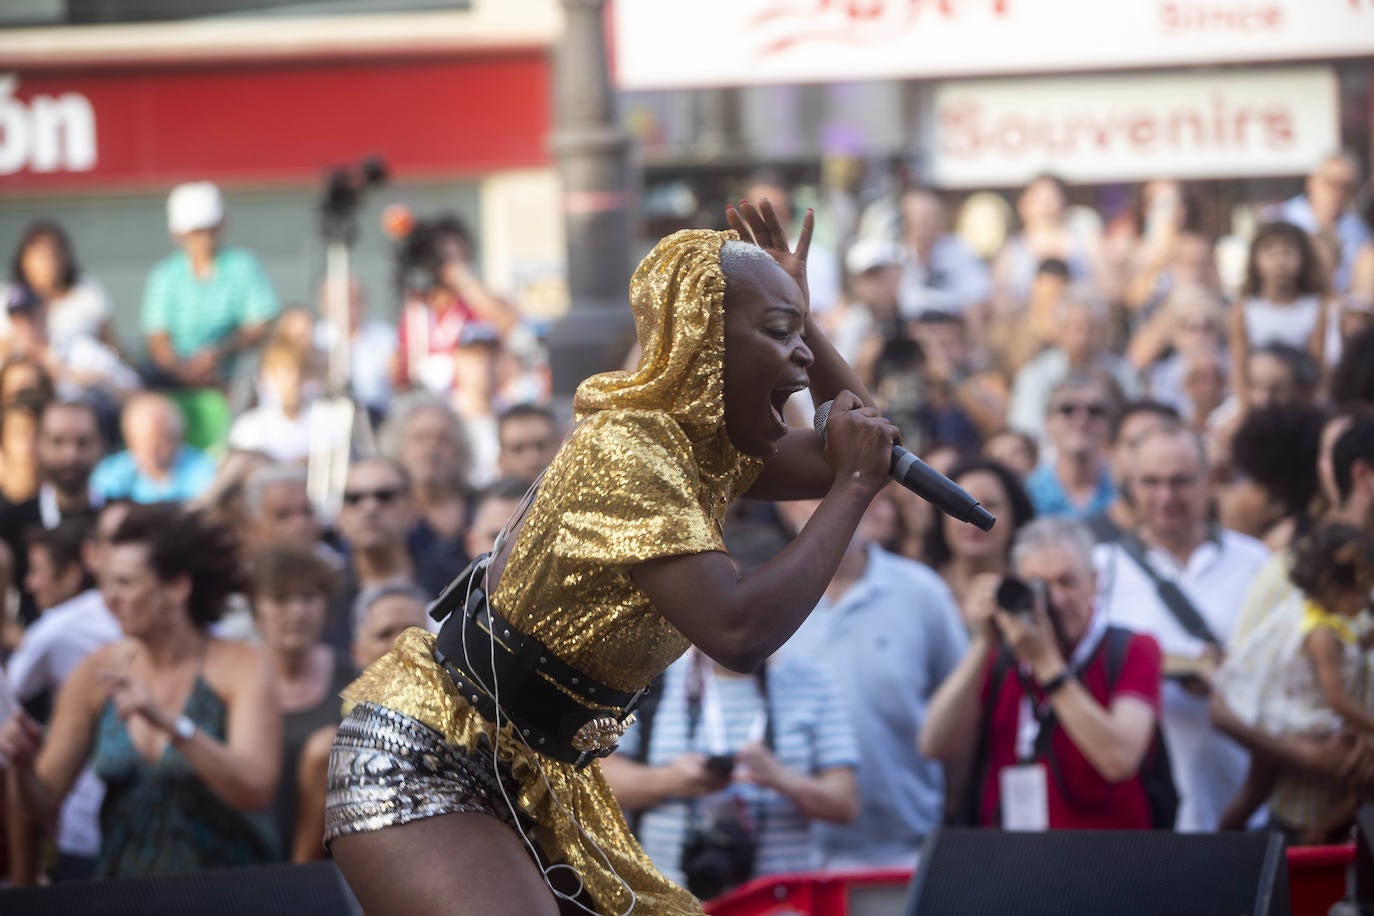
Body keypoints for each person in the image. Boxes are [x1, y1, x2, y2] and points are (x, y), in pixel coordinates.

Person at [325, 202, 902, 915]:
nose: (805, 357)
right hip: (432, 752)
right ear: (705, 338)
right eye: (779, 334)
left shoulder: (709, 449)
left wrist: (797, 314)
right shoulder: (628, 451)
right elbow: (738, 632)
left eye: (801, 334)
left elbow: (863, 437)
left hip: (546, 774)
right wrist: (851, 490)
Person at [0, 503, 281, 876]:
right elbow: (45, 800)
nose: (109, 600)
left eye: (126, 583)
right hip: (122, 888)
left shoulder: (242, 666)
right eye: (106, 583)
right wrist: (21, 767)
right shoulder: (97, 672)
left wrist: (172, 725)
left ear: (177, 587)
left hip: (226, 888)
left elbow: (255, 789)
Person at [920, 517, 1164, 830]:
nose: (1056, 600)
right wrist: (982, 642)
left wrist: (1046, 664)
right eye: (1040, 586)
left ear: (1095, 582)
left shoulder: (1133, 648)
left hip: (1109, 858)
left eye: (1067, 582)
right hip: (1011, 856)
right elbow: (933, 744)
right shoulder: (1002, 656)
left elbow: (1119, 760)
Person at [1095, 425, 1270, 831]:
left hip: (1245, 805)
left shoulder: (1253, 561)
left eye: (1181, 481)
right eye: (1151, 482)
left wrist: (1226, 671)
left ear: (1208, 482)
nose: (1166, 497)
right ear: (1130, 486)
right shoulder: (1100, 569)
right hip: (1144, 814)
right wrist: (1173, 666)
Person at [780, 499, 968, 870]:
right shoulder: (768, 597)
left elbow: (963, 715)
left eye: (836, 490)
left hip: (909, 850)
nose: (830, 507)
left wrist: (952, 808)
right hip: (793, 857)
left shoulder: (922, 593)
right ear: (788, 508)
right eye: (814, 494)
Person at [600, 645, 858, 897]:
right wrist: (671, 780)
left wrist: (780, 778)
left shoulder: (812, 681)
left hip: (779, 901)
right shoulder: (652, 678)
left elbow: (844, 804)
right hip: (668, 899)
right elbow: (601, 782)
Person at [1213, 523, 1374, 844]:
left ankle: (1221, 843)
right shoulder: (1323, 635)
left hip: (1271, 711)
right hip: (1295, 721)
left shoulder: (1313, 610)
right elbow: (1336, 699)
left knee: (1252, 793)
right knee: (1366, 782)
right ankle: (1310, 836)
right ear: (1332, 586)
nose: (1365, 601)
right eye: (1361, 592)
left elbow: (1355, 642)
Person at [3, 510, 124, 883]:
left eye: (37, 570)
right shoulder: (55, 631)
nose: (30, 584)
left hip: (92, 840)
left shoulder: (55, 629)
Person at [248, 542, 353, 862]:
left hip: (331, 865)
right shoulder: (231, 682)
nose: (297, 612)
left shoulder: (356, 682)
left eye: (309, 598)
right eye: (280, 599)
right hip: (245, 861)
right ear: (255, 610)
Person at [141, 182, 280, 393]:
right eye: (196, 232)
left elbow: (261, 324)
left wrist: (220, 353)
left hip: (234, 373)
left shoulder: (243, 265)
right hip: (174, 378)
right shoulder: (164, 275)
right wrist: (182, 370)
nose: (204, 239)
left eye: (210, 229)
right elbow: (158, 339)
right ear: (179, 235)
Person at [1, 220, 136, 406]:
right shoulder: (8, 359)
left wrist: (81, 378)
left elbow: (130, 386)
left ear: (46, 313)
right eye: (17, 317)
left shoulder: (82, 351)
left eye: (32, 315)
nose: (25, 324)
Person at [1006, 293, 1139, 444]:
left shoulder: (1121, 372)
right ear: (1060, 330)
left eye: (1092, 328)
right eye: (1076, 328)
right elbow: (1026, 430)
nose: (1083, 336)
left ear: (1104, 332)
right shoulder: (1036, 374)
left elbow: (1133, 423)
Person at [379, 393, 473, 592]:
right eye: (420, 438)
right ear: (399, 446)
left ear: (459, 449)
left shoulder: (481, 508)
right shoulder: (384, 508)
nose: (431, 448)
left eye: (443, 439)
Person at [923, 459, 1035, 620]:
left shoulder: (1036, 586)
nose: (974, 519)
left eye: (990, 505)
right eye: (960, 505)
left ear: (1015, 515)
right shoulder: (923, 588)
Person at [1228, 222, 1328, 399]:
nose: (1279, 261)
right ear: (1255, 259)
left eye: (1288, 253)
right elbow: (1238, 365)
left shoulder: (1315, 307)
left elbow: (1317, 364)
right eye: (1270, 253)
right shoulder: (1245, 309)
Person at [90, 392, 218, 504]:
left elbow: (206, 504)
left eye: (164, 439)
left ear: (179, 438)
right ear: (130, 441)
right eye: (146, 441)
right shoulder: (112, 471)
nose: (154, 450)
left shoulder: (202, 468)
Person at [1022, 372, 1119, 520]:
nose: (1081, 420)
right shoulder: (1025, 495)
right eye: (1067, 410)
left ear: (1110, 424)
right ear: (1047, 422)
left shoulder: (1128, 493)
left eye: (1095, 411)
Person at [1273, 151, 1370, 294]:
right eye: (1331, 183)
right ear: (1311, 182)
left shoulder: (1359, 230)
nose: (1338, 192)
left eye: (1346, 186)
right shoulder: (1281, 219)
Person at [1085, 400, 1181, 543]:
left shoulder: (1216, 540)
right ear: (1110, 451)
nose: (1147, 459)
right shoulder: (1085, 543)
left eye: (1158, 446)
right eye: (1135, 444)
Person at [895, 187, 991, 319]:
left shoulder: (959, 250)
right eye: (917, 217)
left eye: (929, 217)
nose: (923, 224)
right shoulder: (893, 255)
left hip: (951, 328)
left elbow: (976, 299)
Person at [227, 343, 325, 465]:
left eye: (297, 374)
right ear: (264, 380)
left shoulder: (324, 419)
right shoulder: (248, 426)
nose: (291, 382)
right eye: (281, 375)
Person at [496, 403, 561, 483]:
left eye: (541, 446)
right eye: (517, 449)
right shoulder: (486, 495)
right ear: (502, 457)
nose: (531, 460)